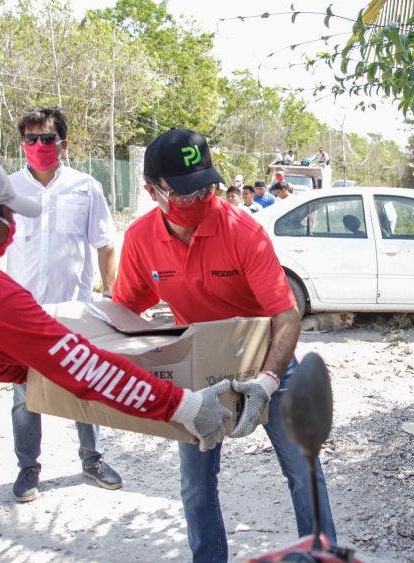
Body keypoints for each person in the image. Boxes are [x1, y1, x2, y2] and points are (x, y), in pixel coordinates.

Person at [0, 155, 234, 563]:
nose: (13, 229)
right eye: (8, 218)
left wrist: (31, 366)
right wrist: (183, 405)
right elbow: (86, 369)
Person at [112, 129, 335, 562]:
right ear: (152, 191)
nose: (200, 200)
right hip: (199, 373)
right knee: (196, 485)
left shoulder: (242, 231)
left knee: (304, 469)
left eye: (206, 187)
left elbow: (286, 313)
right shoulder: (140, 240)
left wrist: (268, 381)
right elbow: (123, 311)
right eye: (185, 192)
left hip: (269, 362)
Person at [3, 106, 122, 502]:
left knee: (83, 386)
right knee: (25, 396)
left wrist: (111, 297)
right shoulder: (7, 190)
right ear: (23, 144)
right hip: (22, 311)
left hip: (75, 311)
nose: (39, 146)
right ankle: (28, 469)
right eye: (31, 139)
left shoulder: (86, 187)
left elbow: (105, 244)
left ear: (63, 143)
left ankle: (92, 459)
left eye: (47, 138)